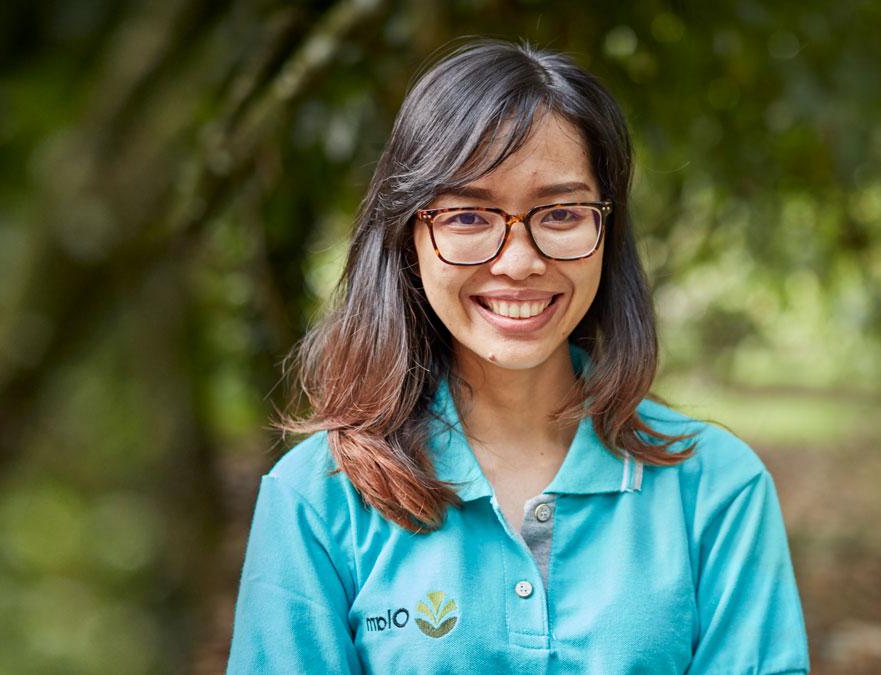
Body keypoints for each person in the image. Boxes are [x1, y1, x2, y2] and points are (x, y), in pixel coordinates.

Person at [225, 39, 810, 674]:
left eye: (560, 212)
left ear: (606, 233)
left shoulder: (717, 488)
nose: (519, 261)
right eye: (470, 216)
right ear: (409, 238)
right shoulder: (316, 498)